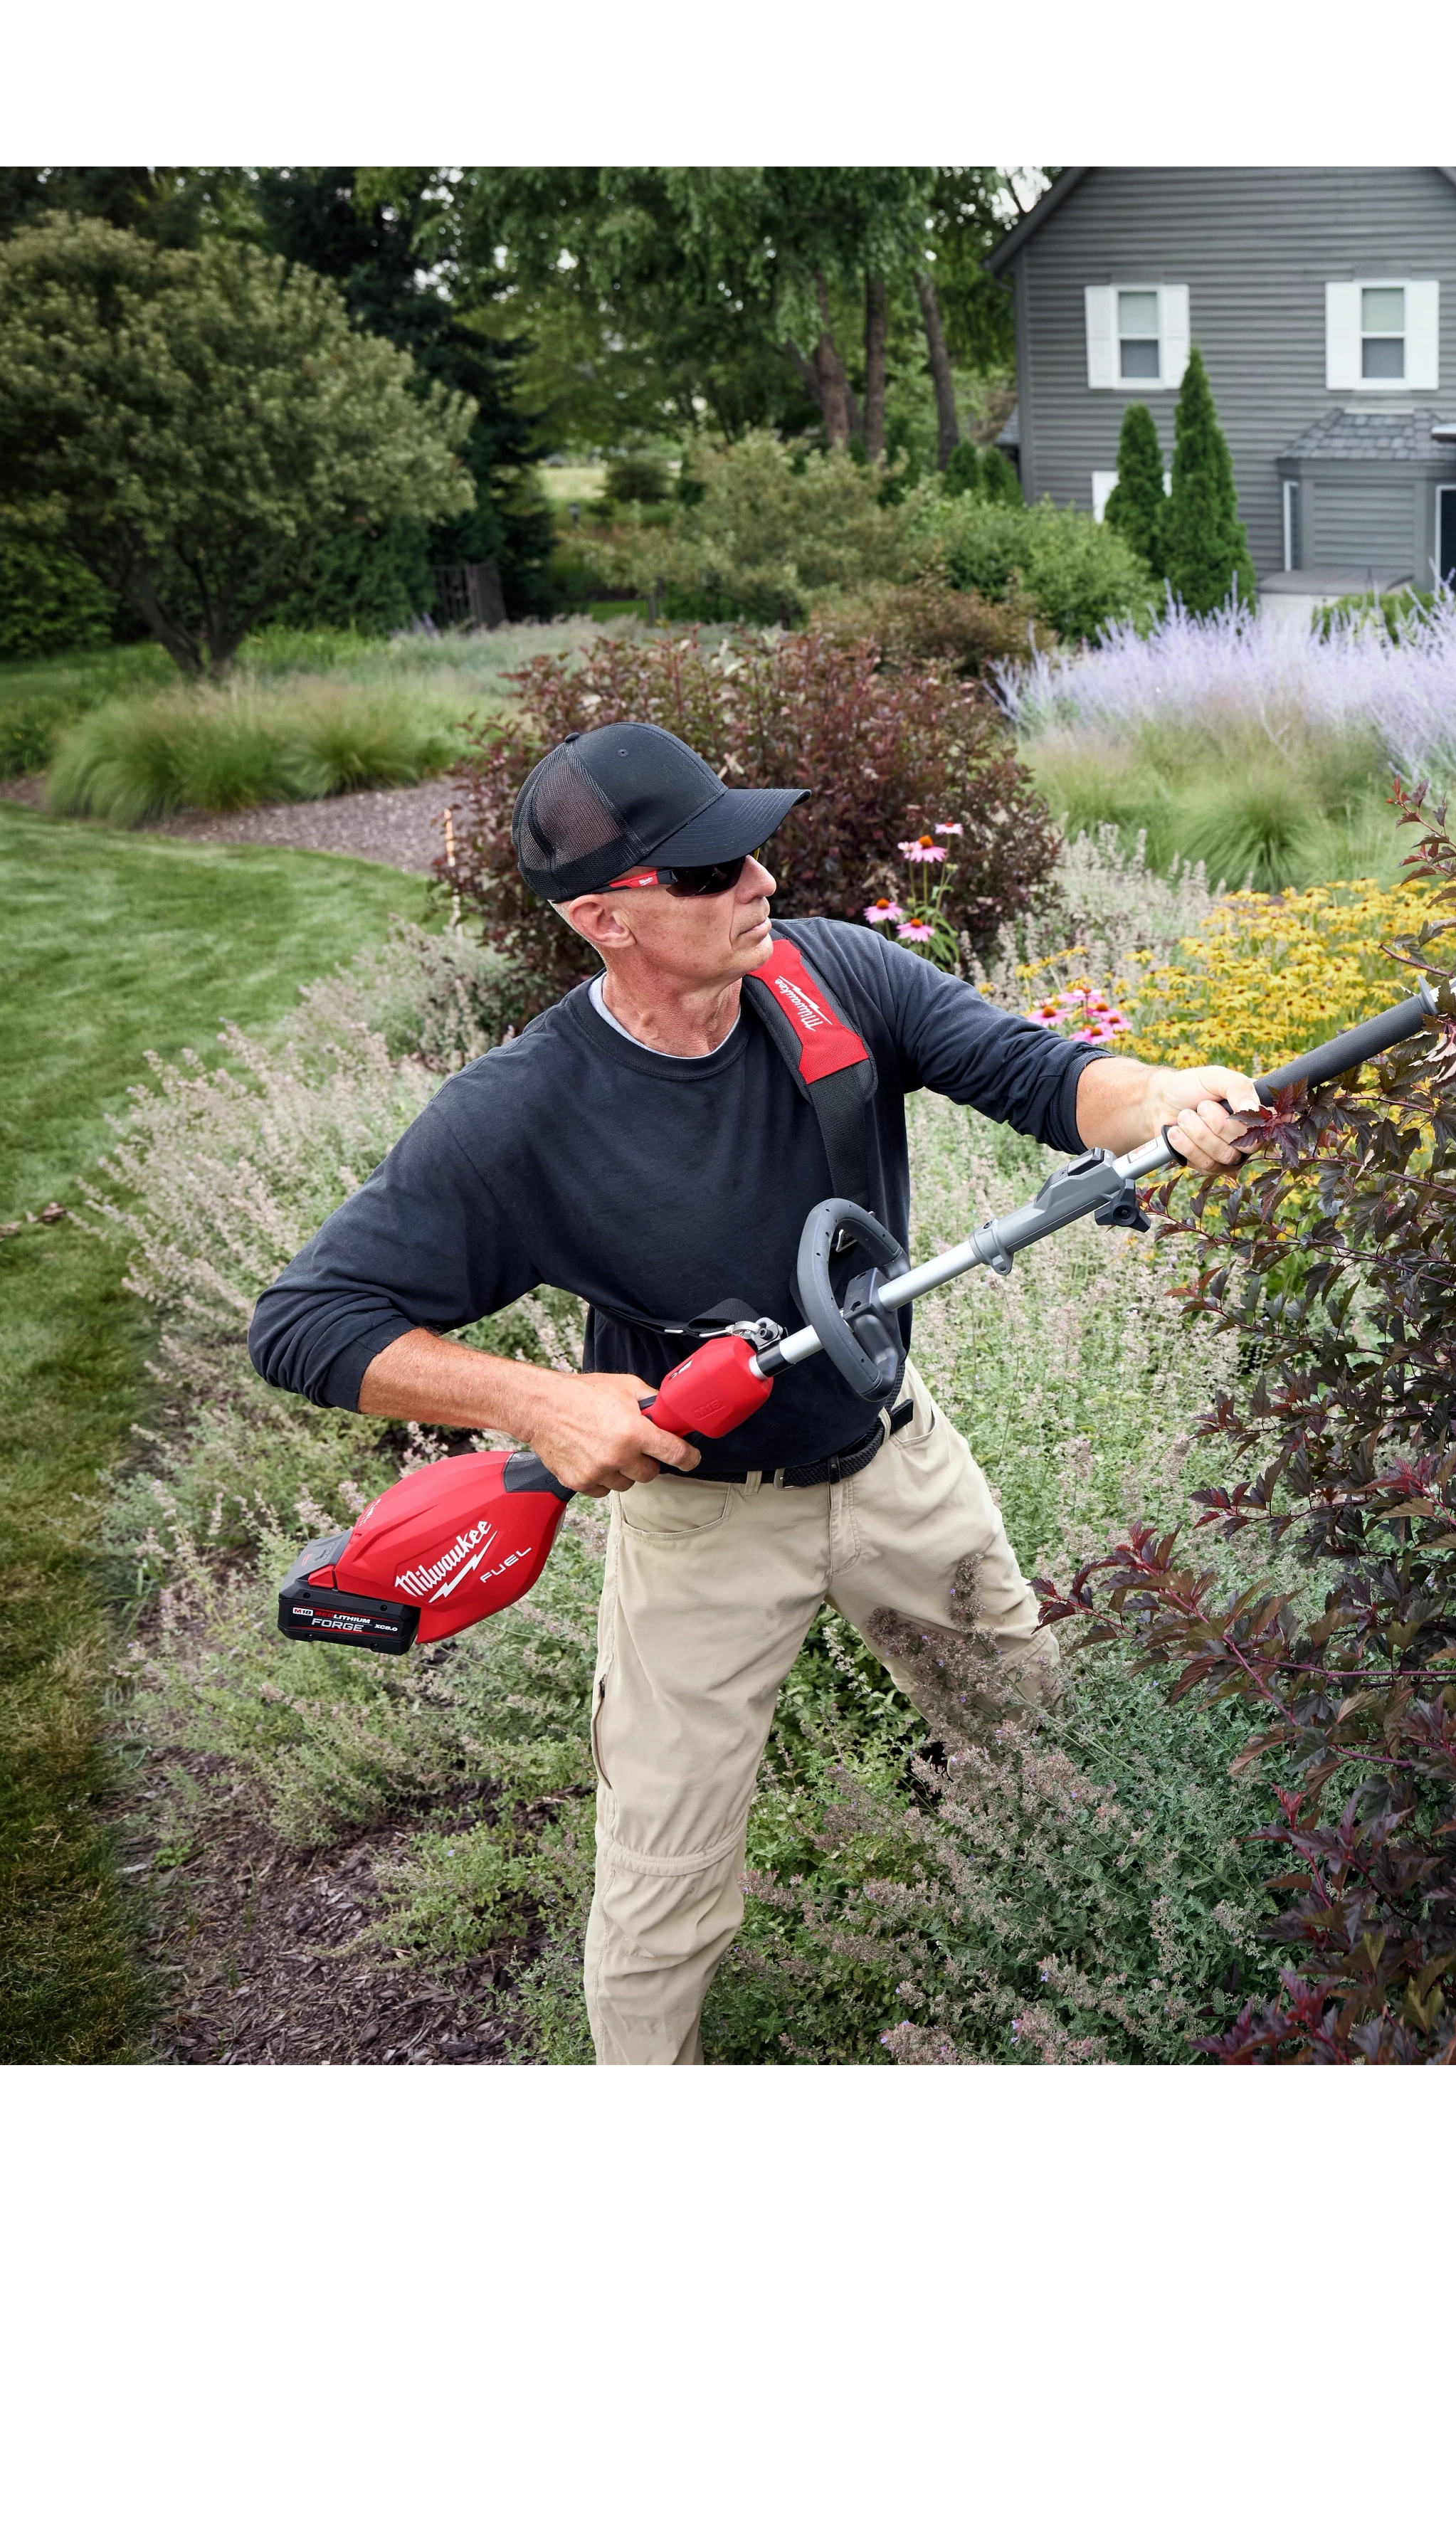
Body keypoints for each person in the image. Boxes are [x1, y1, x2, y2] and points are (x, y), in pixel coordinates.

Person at [249, 722, 1258, 2064]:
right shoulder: (520, 1118)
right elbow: (304, 1324)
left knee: (1044, 1754)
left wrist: (1160, 1098)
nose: (760, 880)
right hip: (704, 1525)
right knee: (664, 1885)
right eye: (711, 866)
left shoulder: (829, 977)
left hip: (899, 1464)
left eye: (753, 846)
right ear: (606, 917)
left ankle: (1136, 2012)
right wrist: (547, 1402)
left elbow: (1044, 1074)